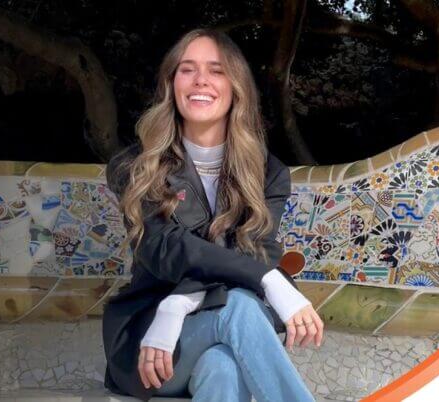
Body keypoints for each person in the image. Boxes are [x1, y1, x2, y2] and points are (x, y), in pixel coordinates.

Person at [102, 28, 323, 402]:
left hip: (192, 321)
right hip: (152, 343)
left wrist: (181, 302)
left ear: (237, 87)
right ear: (171, 84)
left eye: (216, 70)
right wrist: (269, 279)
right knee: (240, 306)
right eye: (187, 69)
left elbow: (255, 252)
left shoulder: (268, 174)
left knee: (224, 365)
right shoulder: (134, 167)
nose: (200, 80)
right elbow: (165, 248)